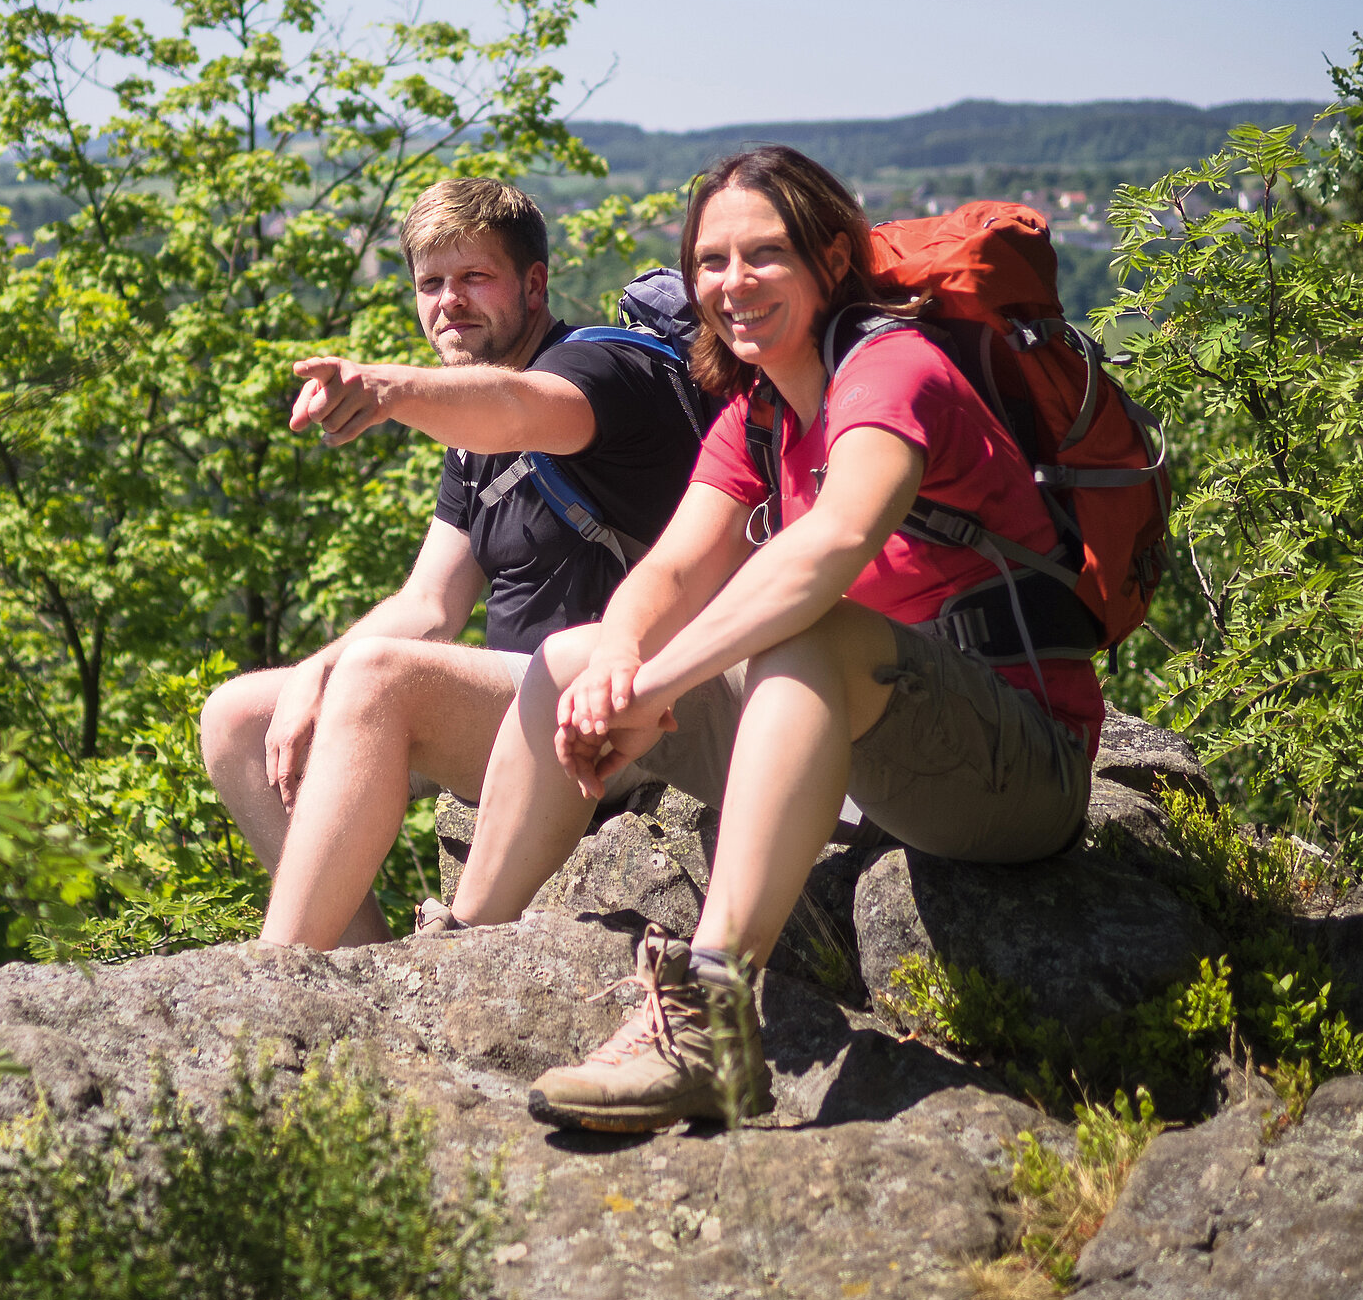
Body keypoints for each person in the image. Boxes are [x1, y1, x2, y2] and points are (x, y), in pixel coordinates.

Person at [444, 145, 1101, 1132]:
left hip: (1013, 763)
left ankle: (711, 1019)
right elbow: (669, 570)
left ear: (833, 261)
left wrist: (657, 685)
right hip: (864, 752)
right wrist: (621, 661)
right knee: (571, 657)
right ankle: (464, 949)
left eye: (765, 256)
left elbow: (831, 546)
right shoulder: (757, 414)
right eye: (711, 261)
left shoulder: (892, 372)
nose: (731, 283)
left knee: (808, 632)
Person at [200, 176, 725, 949]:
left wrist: (387, 389)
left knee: (382, 677)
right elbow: (429, 604)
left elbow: (521, 408)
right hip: (521, 708)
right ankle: (348, 969)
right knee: (239, 716)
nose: (450, 301)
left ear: (535, 283)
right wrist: (317, 668)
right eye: (431, 283)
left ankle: (279, 976)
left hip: (628, 710)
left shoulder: (604, 375)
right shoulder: (467, 442)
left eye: (476, 277)